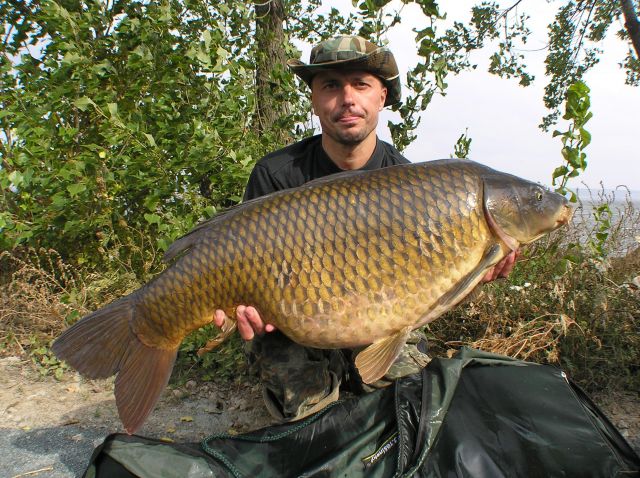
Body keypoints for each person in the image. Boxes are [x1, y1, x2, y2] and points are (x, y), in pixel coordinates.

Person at [214, 35, 517, 422]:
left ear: (382, 98)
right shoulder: (276, 174)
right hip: (293, 326)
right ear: (313, 99)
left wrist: (478, 272)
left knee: (415, 403)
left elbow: (429, 289)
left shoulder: (412, 183)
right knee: (304, 414)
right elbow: (238, 267)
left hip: (379, 322)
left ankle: (357, 375)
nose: (347, 98)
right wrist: (242, 306)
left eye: (361, 84)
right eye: (331, 86)